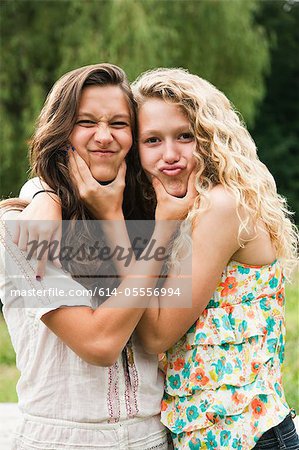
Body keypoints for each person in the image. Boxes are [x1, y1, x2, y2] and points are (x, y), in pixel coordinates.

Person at [20, 67, 299, 449]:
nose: (170, 155)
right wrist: (41, 192)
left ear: (209, 137)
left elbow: (154, 335)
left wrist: (112, 218)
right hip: (203, 434)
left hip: (245, 434)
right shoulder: (174, 206)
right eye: (152, 140)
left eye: (185, 136)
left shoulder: (220, 207)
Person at [0, 63, 196, 450]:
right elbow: (99, 344)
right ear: (61, 131)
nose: (104, 136)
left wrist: (120, 219)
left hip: (155, 437)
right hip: (61, 441)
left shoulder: (152, 211)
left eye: (120, 124)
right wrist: (44, 193)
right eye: (86, 121)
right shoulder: (21, 227)